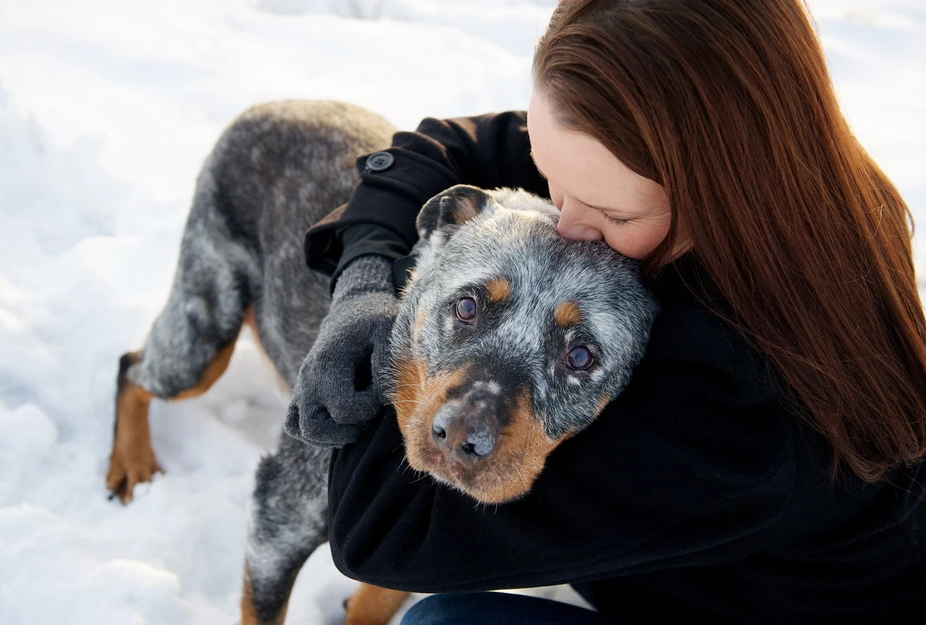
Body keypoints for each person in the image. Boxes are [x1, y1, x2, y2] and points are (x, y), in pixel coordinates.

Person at [291, 0, 926, 622]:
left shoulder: (745, 406)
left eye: (612, 216)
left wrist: (409, 315)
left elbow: (384, 529)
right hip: (670, 555)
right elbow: (439, 148)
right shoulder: (750, 167)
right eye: (547, 173)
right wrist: (364, 283)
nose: (563, 222)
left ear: (715, 190)